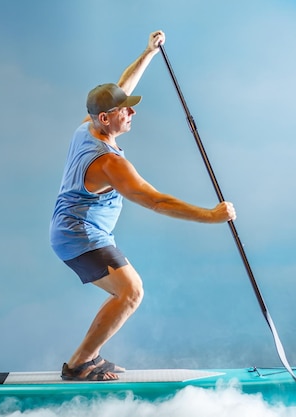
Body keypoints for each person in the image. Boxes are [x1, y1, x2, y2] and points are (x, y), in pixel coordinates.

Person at [50, 30, 236, 381]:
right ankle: (78, 365)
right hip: (78, 236)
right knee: (131, 292)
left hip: (75, 231)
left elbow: (122, 84)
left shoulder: (85, 127)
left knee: (126, 293)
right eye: (125, 110)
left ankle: (88, 357)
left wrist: (148, 53)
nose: (132, 111)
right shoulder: (110, 163)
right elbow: (155, 200)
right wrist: (211, 216)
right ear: (105, 118)